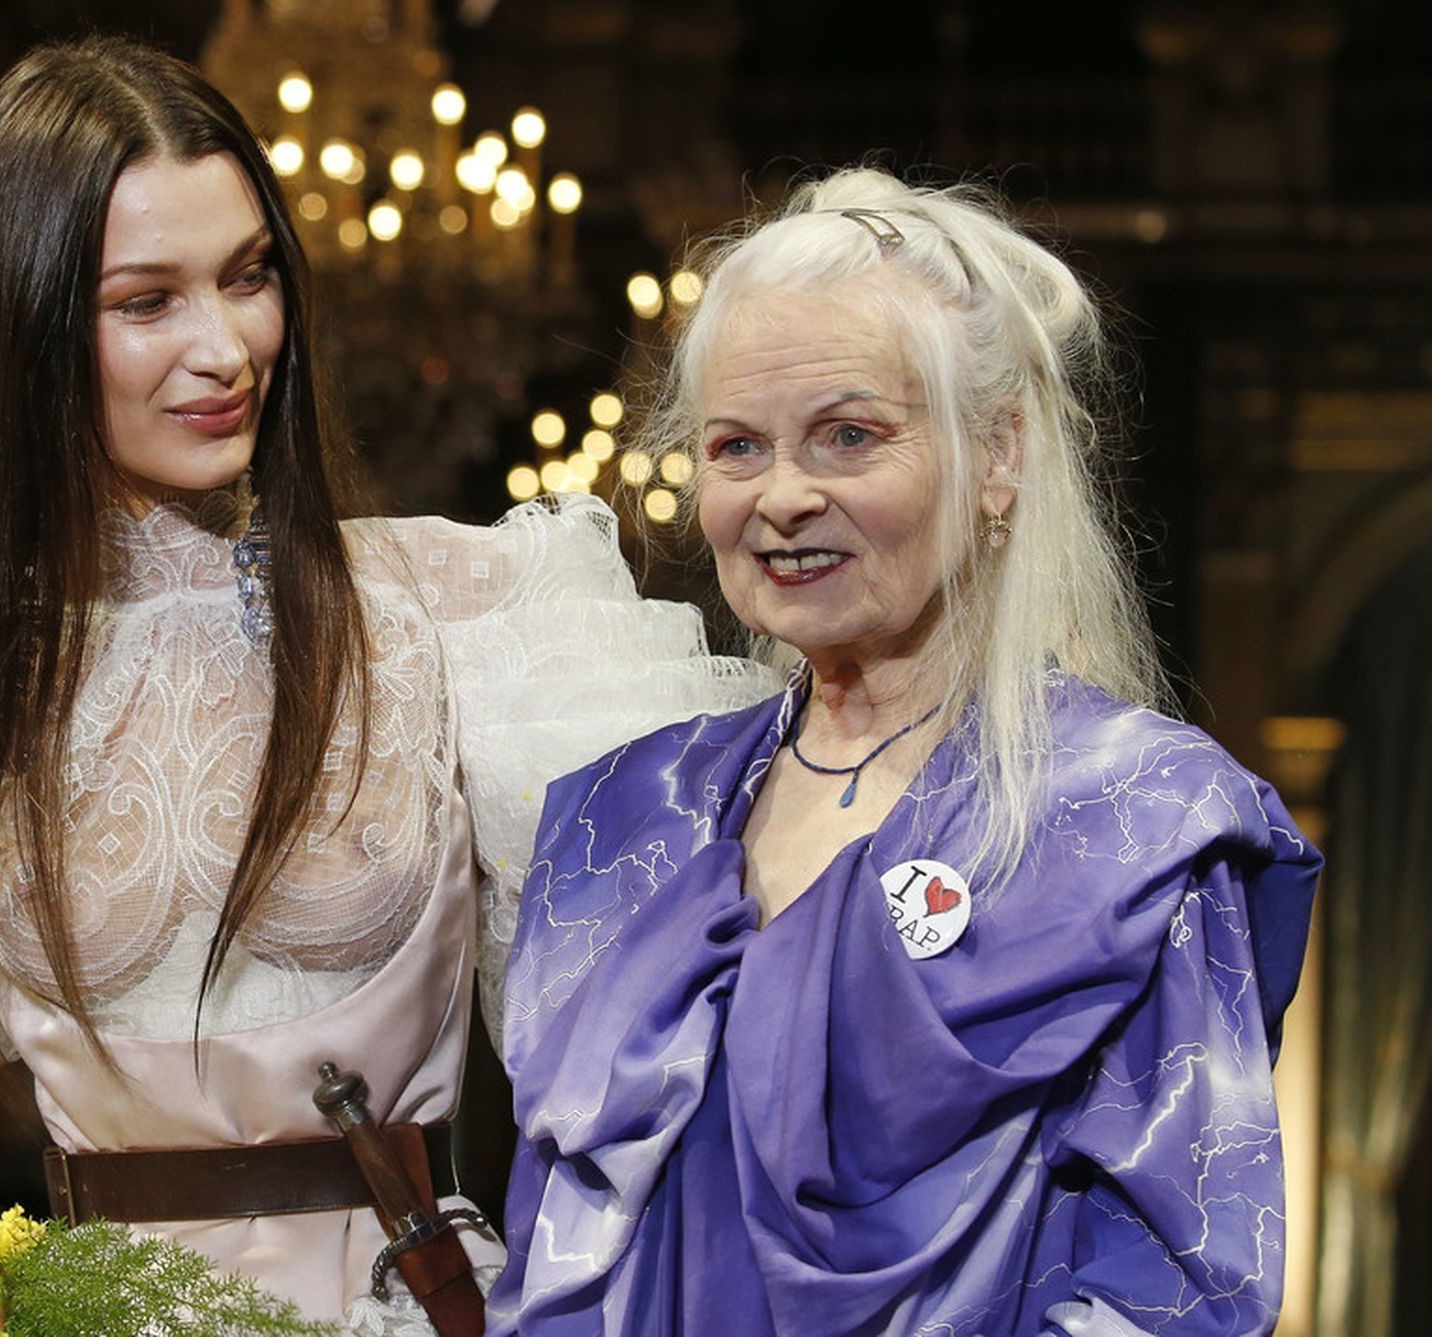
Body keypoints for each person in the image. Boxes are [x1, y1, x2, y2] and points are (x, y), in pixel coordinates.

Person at [0, 36, 773, 1332]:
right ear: (33, 325)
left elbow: (626, 1096)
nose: (226, 348)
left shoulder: (465, 614)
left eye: (249, 275)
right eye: (147, 300)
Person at [491, 167, 1321, 1335]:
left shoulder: (1135, 819)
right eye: (737, 446)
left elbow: (1180, 1288)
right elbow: (555, 1253)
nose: (783, 495)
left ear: (999, 455)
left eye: (849, 436)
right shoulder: (623, 819)